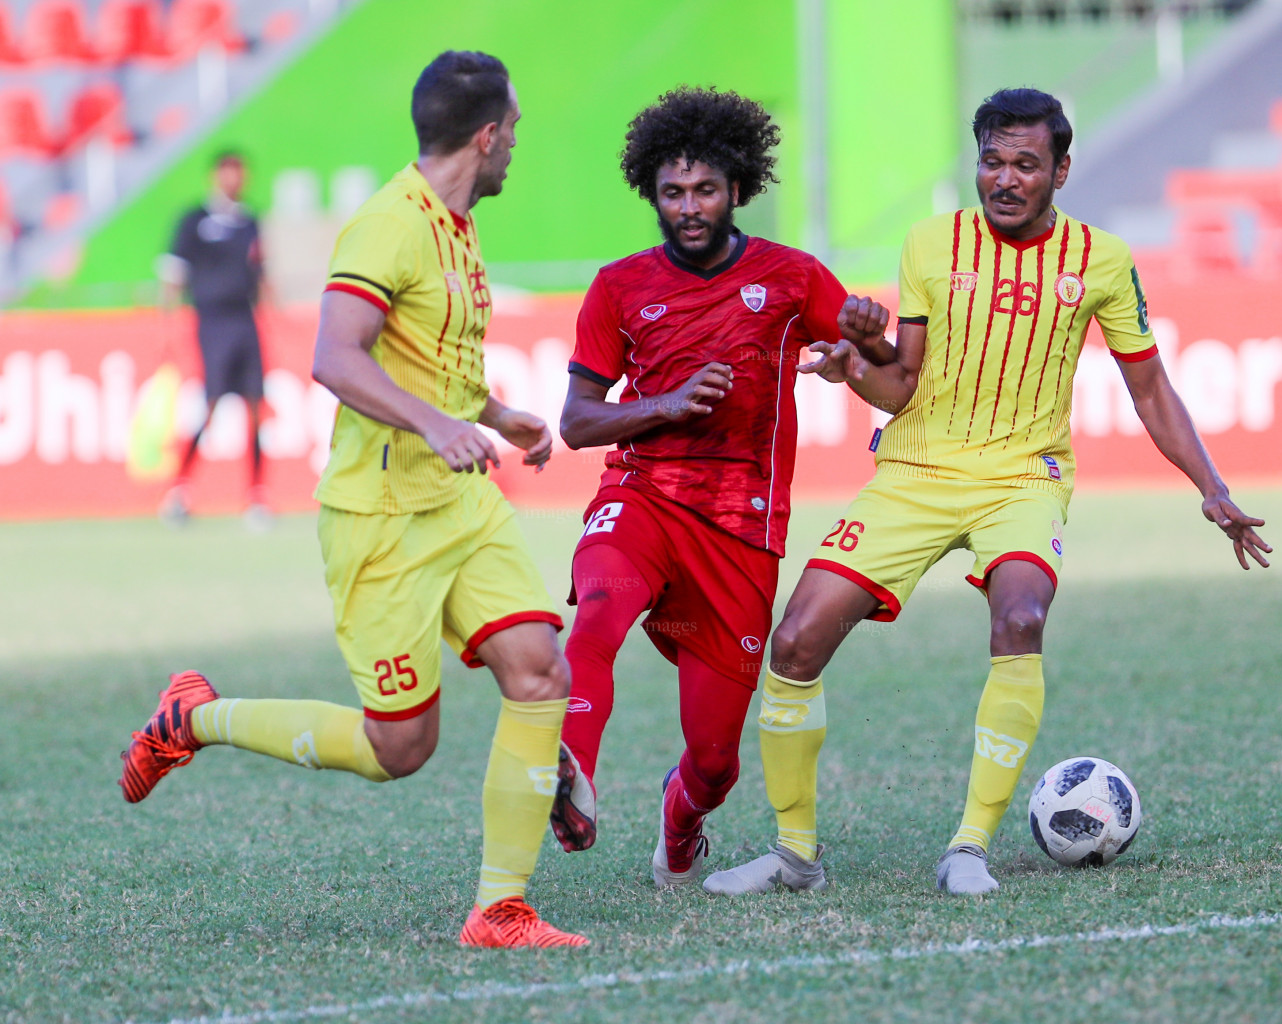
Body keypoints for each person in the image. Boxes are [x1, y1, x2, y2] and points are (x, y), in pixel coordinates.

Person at [706, 87, 1272, 897]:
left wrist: (1210, 488)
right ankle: (795, 856)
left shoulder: (1103, 262)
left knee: (1020, 616)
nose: (1004, 179)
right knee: (794, 642)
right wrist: (852, 368)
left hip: (1022, 479)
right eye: (991, 161)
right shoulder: (931, 244)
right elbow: (899, 388)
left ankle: (968, 847)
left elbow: (1150, 391)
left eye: (1025, 165)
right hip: (913, 473)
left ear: (1061, 170)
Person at [118, 51, 587, 949]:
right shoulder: (388, 226)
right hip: (379, 519)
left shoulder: (457, 224)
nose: (516, 149)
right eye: (514, 133)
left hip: (460, 500)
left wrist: (497, 416)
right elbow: (334, 357)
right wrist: (438, 429)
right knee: (398, 750)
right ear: (485, 136)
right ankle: (195, 717)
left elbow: (430, 359)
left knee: (539, 671)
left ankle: (500, 908)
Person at [545, 87, 890, 888]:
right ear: (651, 194)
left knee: (712, 762)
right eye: (672, 192)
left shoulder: (794, 278)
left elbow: (884, 379)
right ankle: (566, 772)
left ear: (737, 186)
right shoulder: (618, 288)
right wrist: (661, 405)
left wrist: (864, 346)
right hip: (641, 498)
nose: (689, 207)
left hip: (739, 532)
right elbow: (576, 421)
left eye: (704, 190)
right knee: (596, 612)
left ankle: (681, 822)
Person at [157, 150, 273, 530]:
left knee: (256, 407)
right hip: (212, 322)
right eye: (227, 172)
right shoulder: (195, 220)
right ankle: (180, 491)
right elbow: (173, 273)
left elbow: (261, 273)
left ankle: (256, 497)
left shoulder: (249, 222)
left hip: (245, 321)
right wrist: (167, 319)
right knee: (211, 404)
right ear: (215, 176)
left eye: (239, 172)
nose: (233, 179)